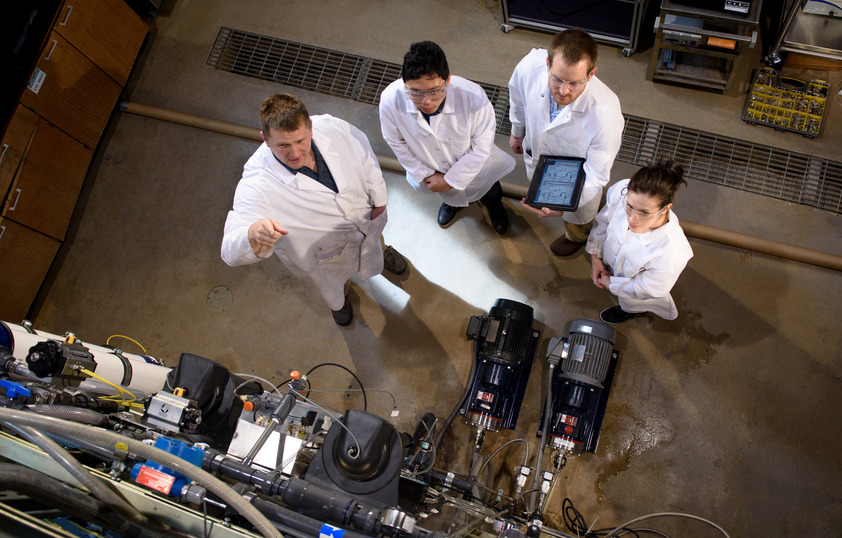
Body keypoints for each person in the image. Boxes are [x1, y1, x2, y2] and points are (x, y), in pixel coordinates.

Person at [221, 94, 407, 326]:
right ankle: (339, 304)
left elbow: (364, 153)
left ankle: (383, 252)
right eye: (282, 145)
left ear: (310, 126)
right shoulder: (257, 183)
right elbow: (229, 252)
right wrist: (251, 233)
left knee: (375, 243)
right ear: (265, 140)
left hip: (366, 221)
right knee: (333, 286)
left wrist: (378, 196)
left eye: (300, 140)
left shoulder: (331, 127)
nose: (295, 153)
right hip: (324, 257)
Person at [379, 41, 515, 235]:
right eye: (415, 92)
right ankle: (453, 204)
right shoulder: (390, 100)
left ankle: (494, 206)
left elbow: (481, 148)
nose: (426, 101)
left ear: (448, 79)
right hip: (431, 170)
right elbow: (395, 141)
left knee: (490, 191)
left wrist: (450, 180)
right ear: (404, 82)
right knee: (447, 195)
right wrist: (425, 173)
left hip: (476, 169)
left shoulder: (473, 98)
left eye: (435, 90)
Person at [508, 29, 624, 256]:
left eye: (574, 83)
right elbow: (518, 99)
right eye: (557, 79)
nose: (563, 91)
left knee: (579, 218)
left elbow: (596, 175)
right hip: (537, 159)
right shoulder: (529, 67)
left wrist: (562, 205)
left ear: (591, 75)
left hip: (577, 181)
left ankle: (576, 236)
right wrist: (516, 132)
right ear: (547, 63)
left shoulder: (606, 114)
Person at [585, 159, 693, 324]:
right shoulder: (622, 191)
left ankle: (629, 311)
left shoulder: (672, 252)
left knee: (631, 303)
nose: (632, 219)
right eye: (629, 207)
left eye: (644, 212)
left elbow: (648, 288)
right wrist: (595, 257)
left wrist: (612, 285)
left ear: (666, 208)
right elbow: (604, 221)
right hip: (608, 266)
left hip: (633, 290)